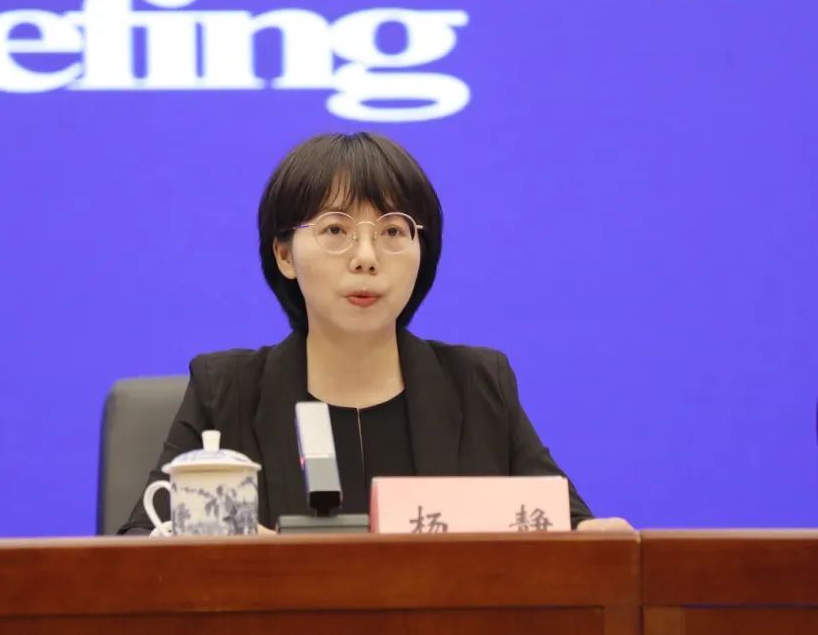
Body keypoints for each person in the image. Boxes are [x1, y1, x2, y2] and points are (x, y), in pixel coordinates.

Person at [119, 132, 630, 534]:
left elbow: (568, 532)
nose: (366, 258)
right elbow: (138, 550)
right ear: (284, 255)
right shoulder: (224, 391)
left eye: (392, 232)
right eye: (336, 230)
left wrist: (600, 539)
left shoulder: (479, 386)